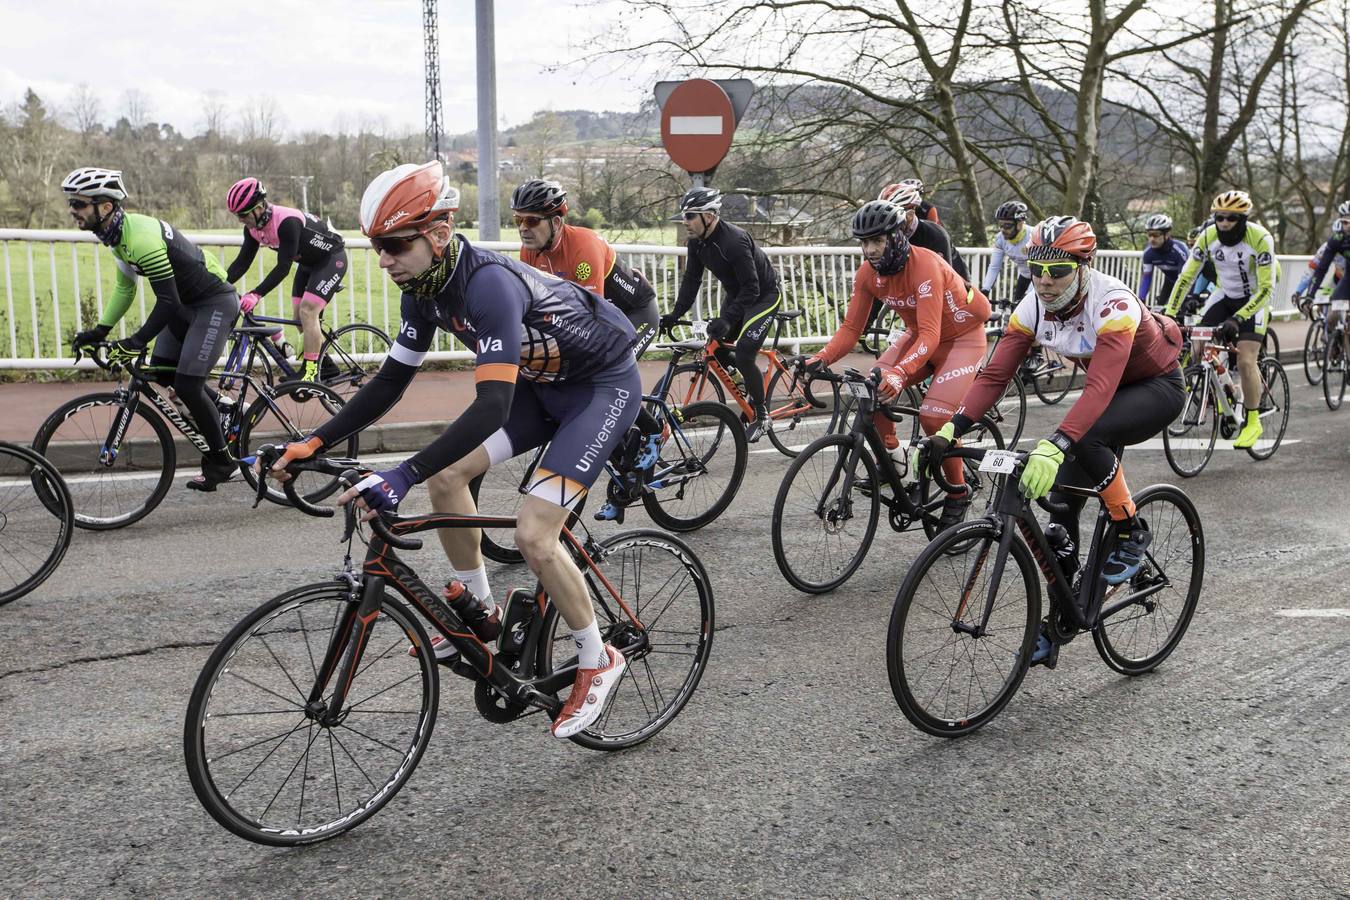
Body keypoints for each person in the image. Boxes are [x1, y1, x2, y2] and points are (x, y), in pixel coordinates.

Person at [269, 161, 639, 739]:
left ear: (439, 235)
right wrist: (313, 440)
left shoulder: (488, 284)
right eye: (376, 248)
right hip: (543, 389)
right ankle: (482, 611)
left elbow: (491, 405)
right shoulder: (421, 291)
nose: (384, 260)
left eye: (395, 245)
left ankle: (598, 658)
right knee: (448, 479)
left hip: (600, 388)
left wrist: (403, 472)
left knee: (534, 534)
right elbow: (389, 382)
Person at [926, 216, 1184, 667]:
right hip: (1105, 394)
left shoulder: (1113, 303)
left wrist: (1057, 442)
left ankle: (1130, 530)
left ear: (1085, 266)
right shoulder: (1033, 305)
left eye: (1058, 270)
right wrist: (953, 428)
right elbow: (994, 375)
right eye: (1036, 268)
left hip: (1154, 387)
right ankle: (1063, 616)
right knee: (1060, 510)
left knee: (1086, 435)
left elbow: (1099, 391)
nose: (1045, 281)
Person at [806, 200, 991, 528]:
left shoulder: (924, 266)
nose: (870, 250)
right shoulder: (868, 274)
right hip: (919, 336)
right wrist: (820, 358)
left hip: (961, 340)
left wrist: (902, 372)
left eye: (877, 241)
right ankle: (895, 460)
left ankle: (958, 492)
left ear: (896, 237)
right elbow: (851, 329)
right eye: (864, 242)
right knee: (872, 388)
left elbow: (932, 334)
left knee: (934, 418)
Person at [64, 166, 240, 490]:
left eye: (78, 204)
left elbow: (168, 301)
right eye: (72, 204)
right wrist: (99, 331)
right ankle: (221, 407)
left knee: (187, 385)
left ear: (105, 207)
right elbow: (125, 289)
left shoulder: (140, 237)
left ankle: (222, 460)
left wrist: (135, 340)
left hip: (213, 303)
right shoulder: (118, 237)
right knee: (160, 373)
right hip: (186, 307)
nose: (72, 211)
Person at [509, 177, 664, 520]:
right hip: (597, 321)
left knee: (606, 384)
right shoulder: (529, 250)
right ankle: (622, 459)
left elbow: (587, 317)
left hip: (632, 315)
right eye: (518, 220)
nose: (523, 228)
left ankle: (652, 430)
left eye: (531, 220)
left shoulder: (584, 246)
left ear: (556, 221)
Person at [659, 186, 781, 442]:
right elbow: (692, 280)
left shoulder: (734, 241)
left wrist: (728, 318)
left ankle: (762, 415)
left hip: (763, 296)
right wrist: (674, 313)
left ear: (710, 216)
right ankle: (747, 384)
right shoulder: (697, 243)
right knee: (717, 345)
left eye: (691, 215)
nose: (686, 221)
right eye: (684, 215)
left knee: (746, 352)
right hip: (738, 296)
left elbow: (752, 287)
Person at [1165, 190, 1279, 449]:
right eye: (1219, 217)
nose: (1224, 222)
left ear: (1243, 218)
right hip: (1224, 295)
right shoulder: (1208, 237)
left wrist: (1238, 319)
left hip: (1254, 300)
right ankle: (1223, 393)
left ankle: (1252, 421)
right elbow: (1186, 277)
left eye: (1231, 218)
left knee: (1246, 359)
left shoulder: (1260, 237)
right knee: (1197, 348)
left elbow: (1266, 288)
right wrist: (1170, 314)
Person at [223, 178, 350, 382]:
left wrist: (256, 294)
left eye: (244, 214)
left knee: (308, 311)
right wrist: (220, 285)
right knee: (298, 317)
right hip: (308, 264)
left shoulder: (286, 222)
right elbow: (242, 263)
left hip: (331, 259)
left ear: (259, 207)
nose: (241, 220)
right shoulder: (252, 228)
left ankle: (309, 374)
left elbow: (283, 268)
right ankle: (326, 366)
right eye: (238, 215)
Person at [878, 182, 968, 280]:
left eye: (894, 216)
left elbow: (944, 279)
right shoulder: (887, 235)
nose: (889, 222)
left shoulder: (936, 235)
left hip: (955, 278)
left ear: (911, 212)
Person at [981, 201, 1033, 303]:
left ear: (1020, 223)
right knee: (1015, 313)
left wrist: (1028, 295)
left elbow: (1039, 271)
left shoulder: (1034, 237)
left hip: (1040, 278)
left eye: (1007, 226)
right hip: (1025, 277)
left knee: (1029, 309)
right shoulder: (1000, 239)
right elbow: (994, 267)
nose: (1003, 229)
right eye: (1000, 225)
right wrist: (985, 290)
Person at [1138, 213, 1189, 309]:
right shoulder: (1148, 253)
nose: (1152, 239)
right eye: (1149, 235)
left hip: (1187, 282)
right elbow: (1146, 278)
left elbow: (1184, 279)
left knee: (1180, 309)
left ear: (1167, 234)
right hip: (1170, 281)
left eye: (1156, 235)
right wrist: (1141, 299)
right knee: (1160, 307)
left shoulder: (1179, 251)